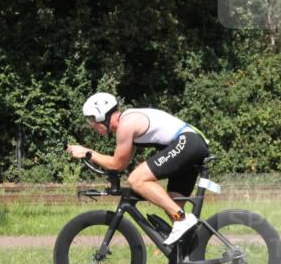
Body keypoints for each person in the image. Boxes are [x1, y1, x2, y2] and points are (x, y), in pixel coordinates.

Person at [66, 92, 209, 248]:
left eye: (92, 120)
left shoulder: (126, 125)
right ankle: (190, 259)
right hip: (190, 144)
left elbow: (116, 165)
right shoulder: (128, 122)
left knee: (136, 180)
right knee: (172, 206)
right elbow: (121, 164)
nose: (91, 126)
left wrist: (88, 153)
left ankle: (182, 219)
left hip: (187, 142)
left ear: (102, 117)